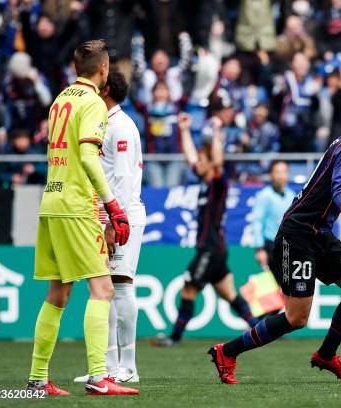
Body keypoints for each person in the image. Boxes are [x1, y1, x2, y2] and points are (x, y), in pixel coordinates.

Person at [208, 95, 341, 385]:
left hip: (320, 234)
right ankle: (228, 351)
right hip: (298, 236)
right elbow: (340, 191)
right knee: (296, 318)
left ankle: (326, 355)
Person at [25, 40, 138, 396]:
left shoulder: (60, 100)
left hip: (51, 202)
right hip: (78, 206)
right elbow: (89, 158)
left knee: (57, 294)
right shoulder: (92, 103)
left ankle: (38, 379)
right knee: (103, 289)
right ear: (103, 71)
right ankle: (98, 376)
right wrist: (113, 207)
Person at [151, 112, 259, 347]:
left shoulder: (218, 184)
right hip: (216, 249)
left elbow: (218, 162)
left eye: (201, 159)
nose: (196, 162)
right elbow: (190, 156)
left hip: (210, 249)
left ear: (210, 162)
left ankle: (174, 338)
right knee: (229, 293)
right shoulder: (204, 182)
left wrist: (217, 134)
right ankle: (261, 330)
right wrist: (184, 130)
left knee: (189, 289)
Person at [73, 70, 146, 384]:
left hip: (122, 215)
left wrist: (117, 221)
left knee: (120, 283)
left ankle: (128, 365)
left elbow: (124, 179)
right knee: (105, 288)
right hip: (103, 215)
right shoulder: (105, 123)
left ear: (105, 92)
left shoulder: (121, 126)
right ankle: (106, 367)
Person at [251, 160, 296, 281]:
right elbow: (257, 222)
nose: (281, 175)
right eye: (277, 172)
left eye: (284, 172)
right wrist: (259, 249)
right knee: (278, 286)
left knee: (290, 288)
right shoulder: (264, 196)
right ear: (271, 175)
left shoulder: (292, 196)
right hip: (271, 247)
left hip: (289, 246)